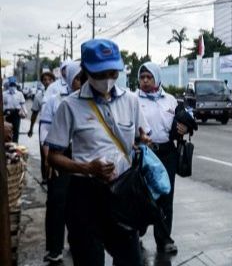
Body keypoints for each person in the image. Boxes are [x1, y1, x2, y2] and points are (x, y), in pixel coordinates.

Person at [46, 39, 150, 266]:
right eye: (101, 74)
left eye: (113, 72)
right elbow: (53, 156)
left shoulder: (131, 101)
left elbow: (141, 142)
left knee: (131, 260)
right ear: (86, 71)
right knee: (89, 260)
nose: (108, 79)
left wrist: (143, 143)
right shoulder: (69, 106)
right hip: (85, 196)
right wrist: (87, 168)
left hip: (123, 195)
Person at [136, 61, 189, 254]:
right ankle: (136, 232)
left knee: (166, 196)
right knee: (141, 195)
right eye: (142, 77)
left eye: (149, 77)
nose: (145, 81)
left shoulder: (170, 101)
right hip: (143, 154)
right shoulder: (133, 100)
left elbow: (181, 124)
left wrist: (183, 129)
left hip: (167, 153)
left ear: (157, 78)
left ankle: (164, 239)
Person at [38, 61, 82, 263]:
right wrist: (48, 158)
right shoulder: (56, 100)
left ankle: (78, 243)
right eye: (79, 79)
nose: (83, 83)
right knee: (57, 201)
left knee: (81, 203)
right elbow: (45, 131)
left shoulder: (92, 101)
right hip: (61, 153)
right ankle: (54, 248)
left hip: (84, 156)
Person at [28, 70, 56, 138]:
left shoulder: (59, 94)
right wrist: (31, 128)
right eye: (45, 80)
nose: (47, 82)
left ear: (54, 81)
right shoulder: (38, 96)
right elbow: (34, 113)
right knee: (43, 146)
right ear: (42, 82)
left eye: (50, 79)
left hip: (57, 125)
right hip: (44, 125)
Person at [3, 77, 26, 143]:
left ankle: (15, 144)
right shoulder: (4, 94)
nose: (12, 87)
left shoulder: (19, 94)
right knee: (7, 129)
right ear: (8, 85)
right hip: (7, 113)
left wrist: (25, 112)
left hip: (16, 113)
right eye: (11, 85)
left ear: (15, 85)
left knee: (16, 130)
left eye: (13, 85)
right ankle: (7, 144)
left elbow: (23, 104)